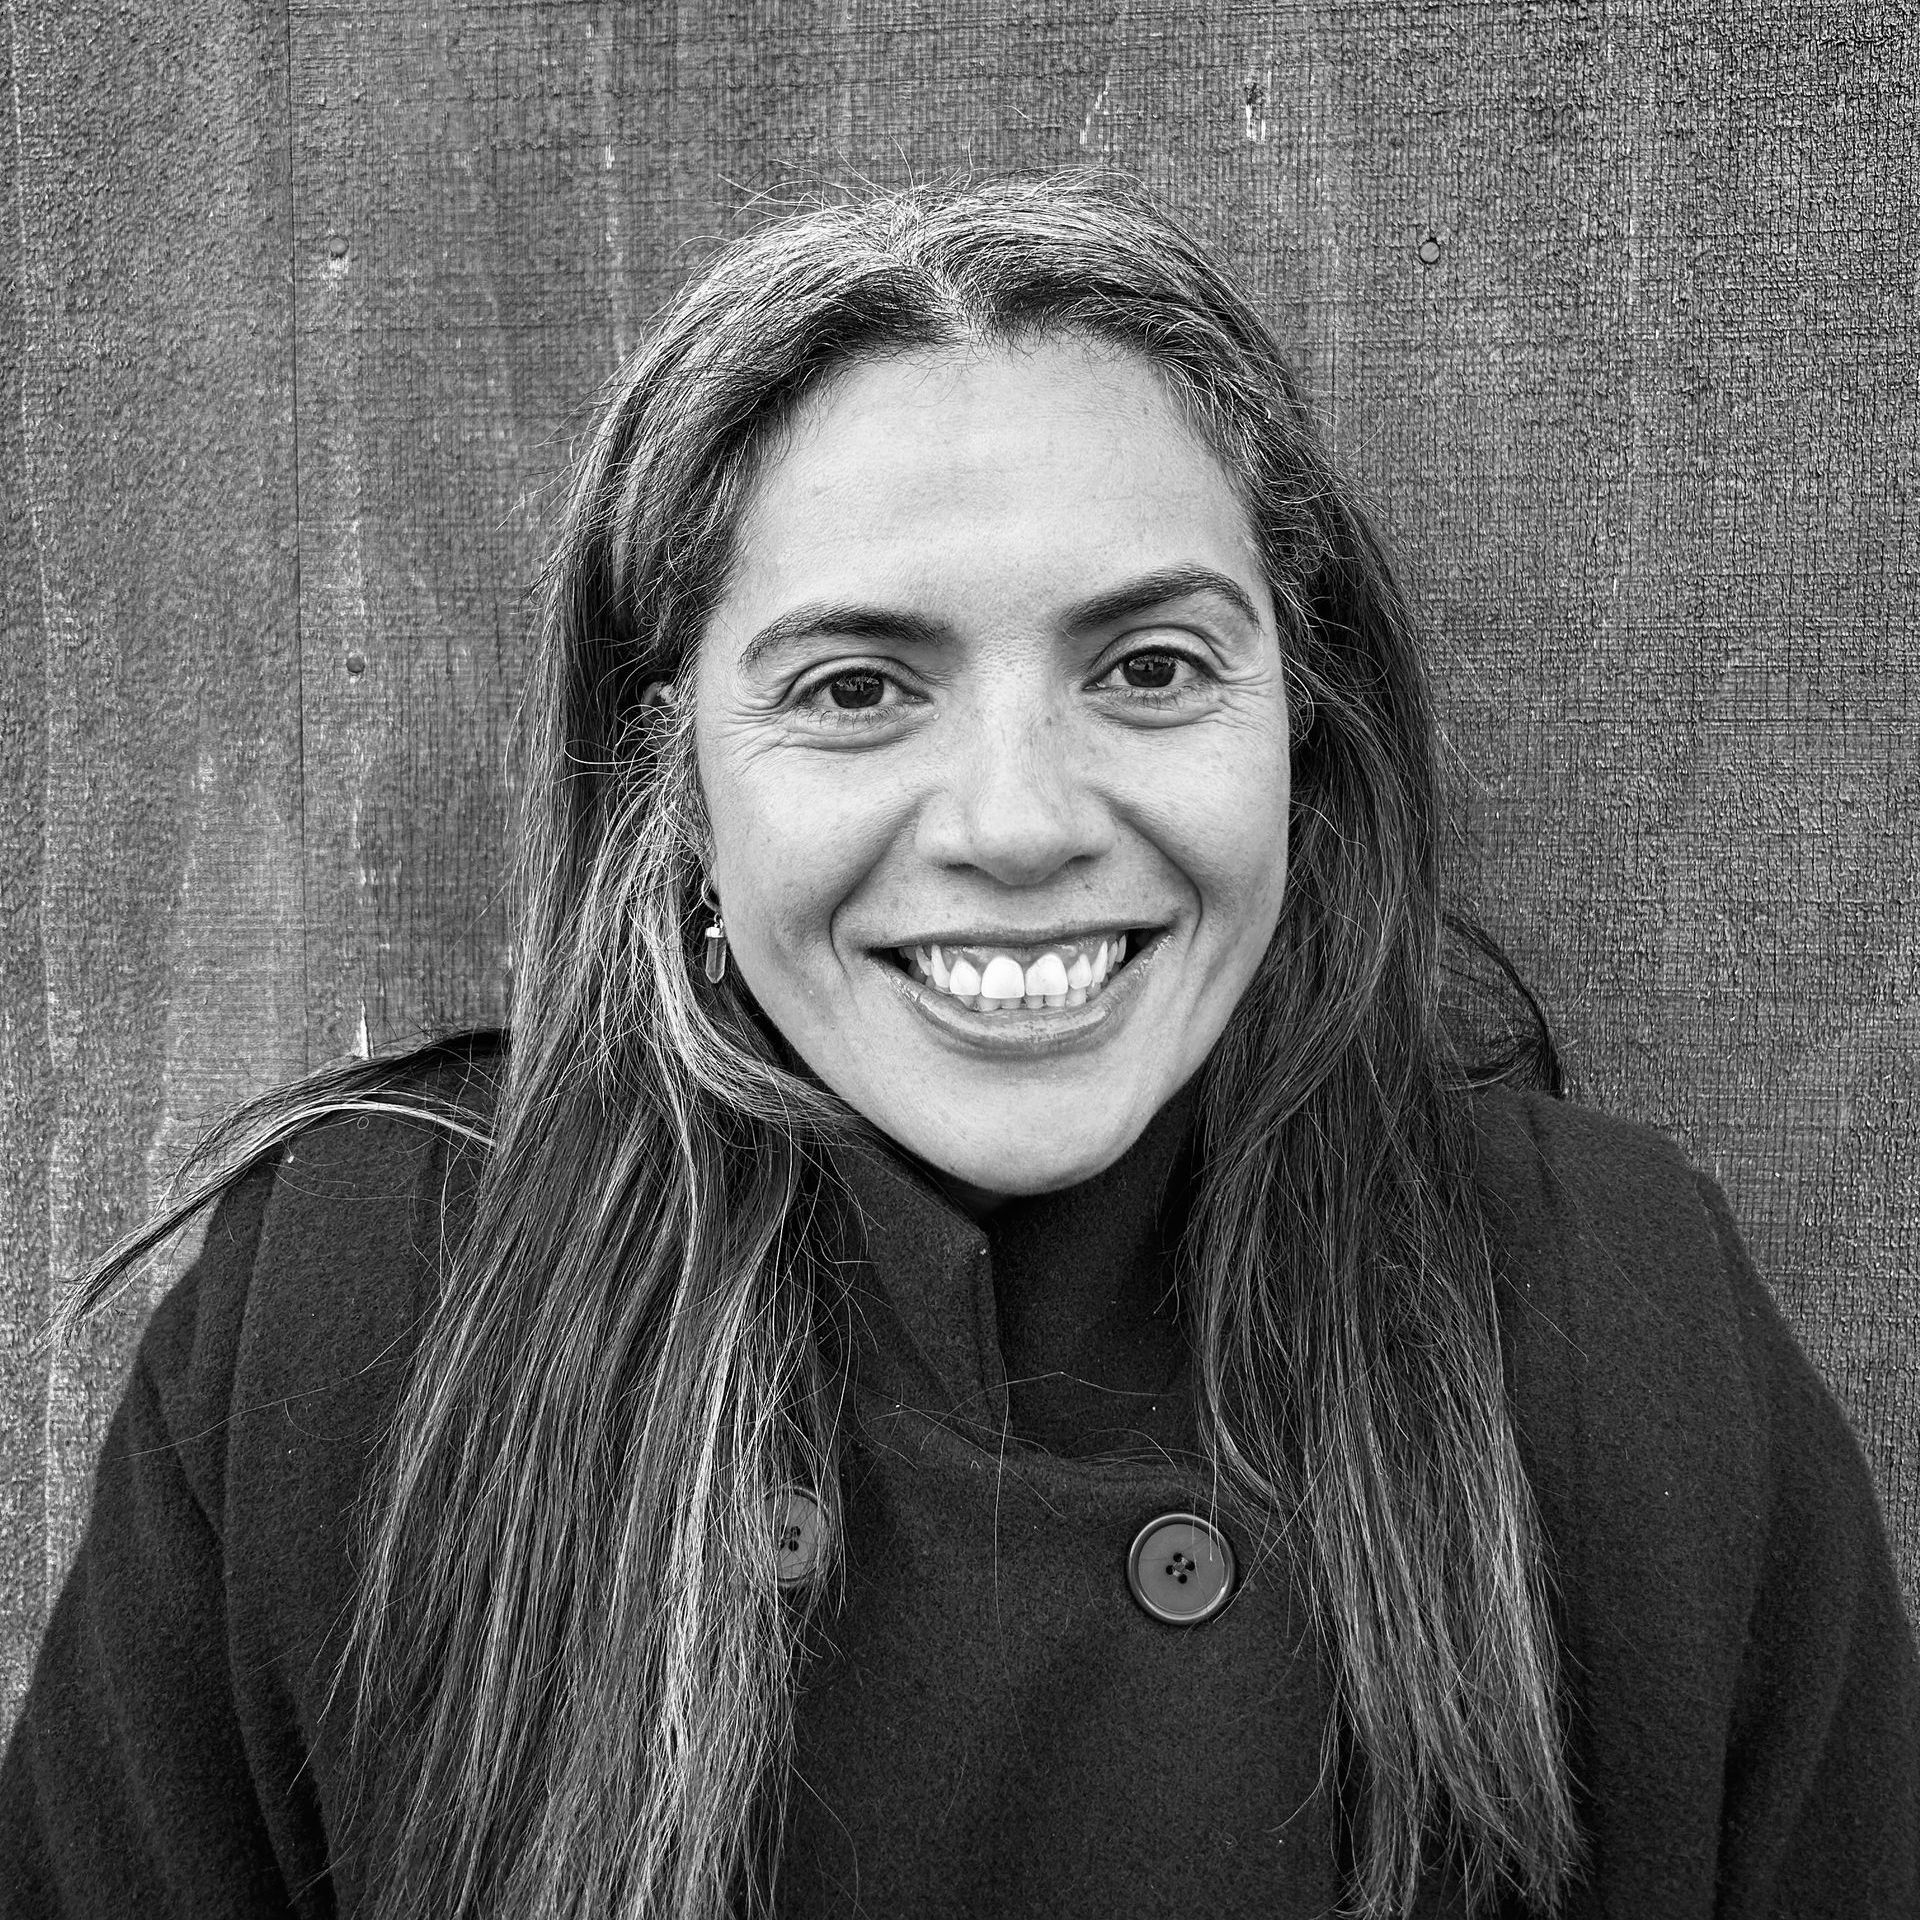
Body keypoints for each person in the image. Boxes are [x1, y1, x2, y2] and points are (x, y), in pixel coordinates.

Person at [1, 174, 1913, 1920]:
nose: (1015, 823)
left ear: (1302, 734)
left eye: (1150, 669)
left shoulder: (1612, 1320)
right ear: (671, 785)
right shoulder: (364, 1315)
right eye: (855, 688)